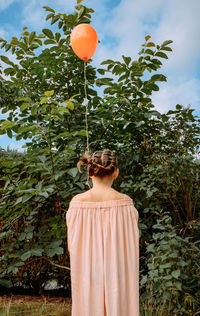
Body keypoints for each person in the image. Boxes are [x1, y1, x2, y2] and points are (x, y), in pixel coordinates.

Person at [66, 149, 139, 316]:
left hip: (86, 271)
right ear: (116, 173)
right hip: (119, 273)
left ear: (90, 173)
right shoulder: (126, 204)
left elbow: (73, 246)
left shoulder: (77, 204)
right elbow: (131, 247)